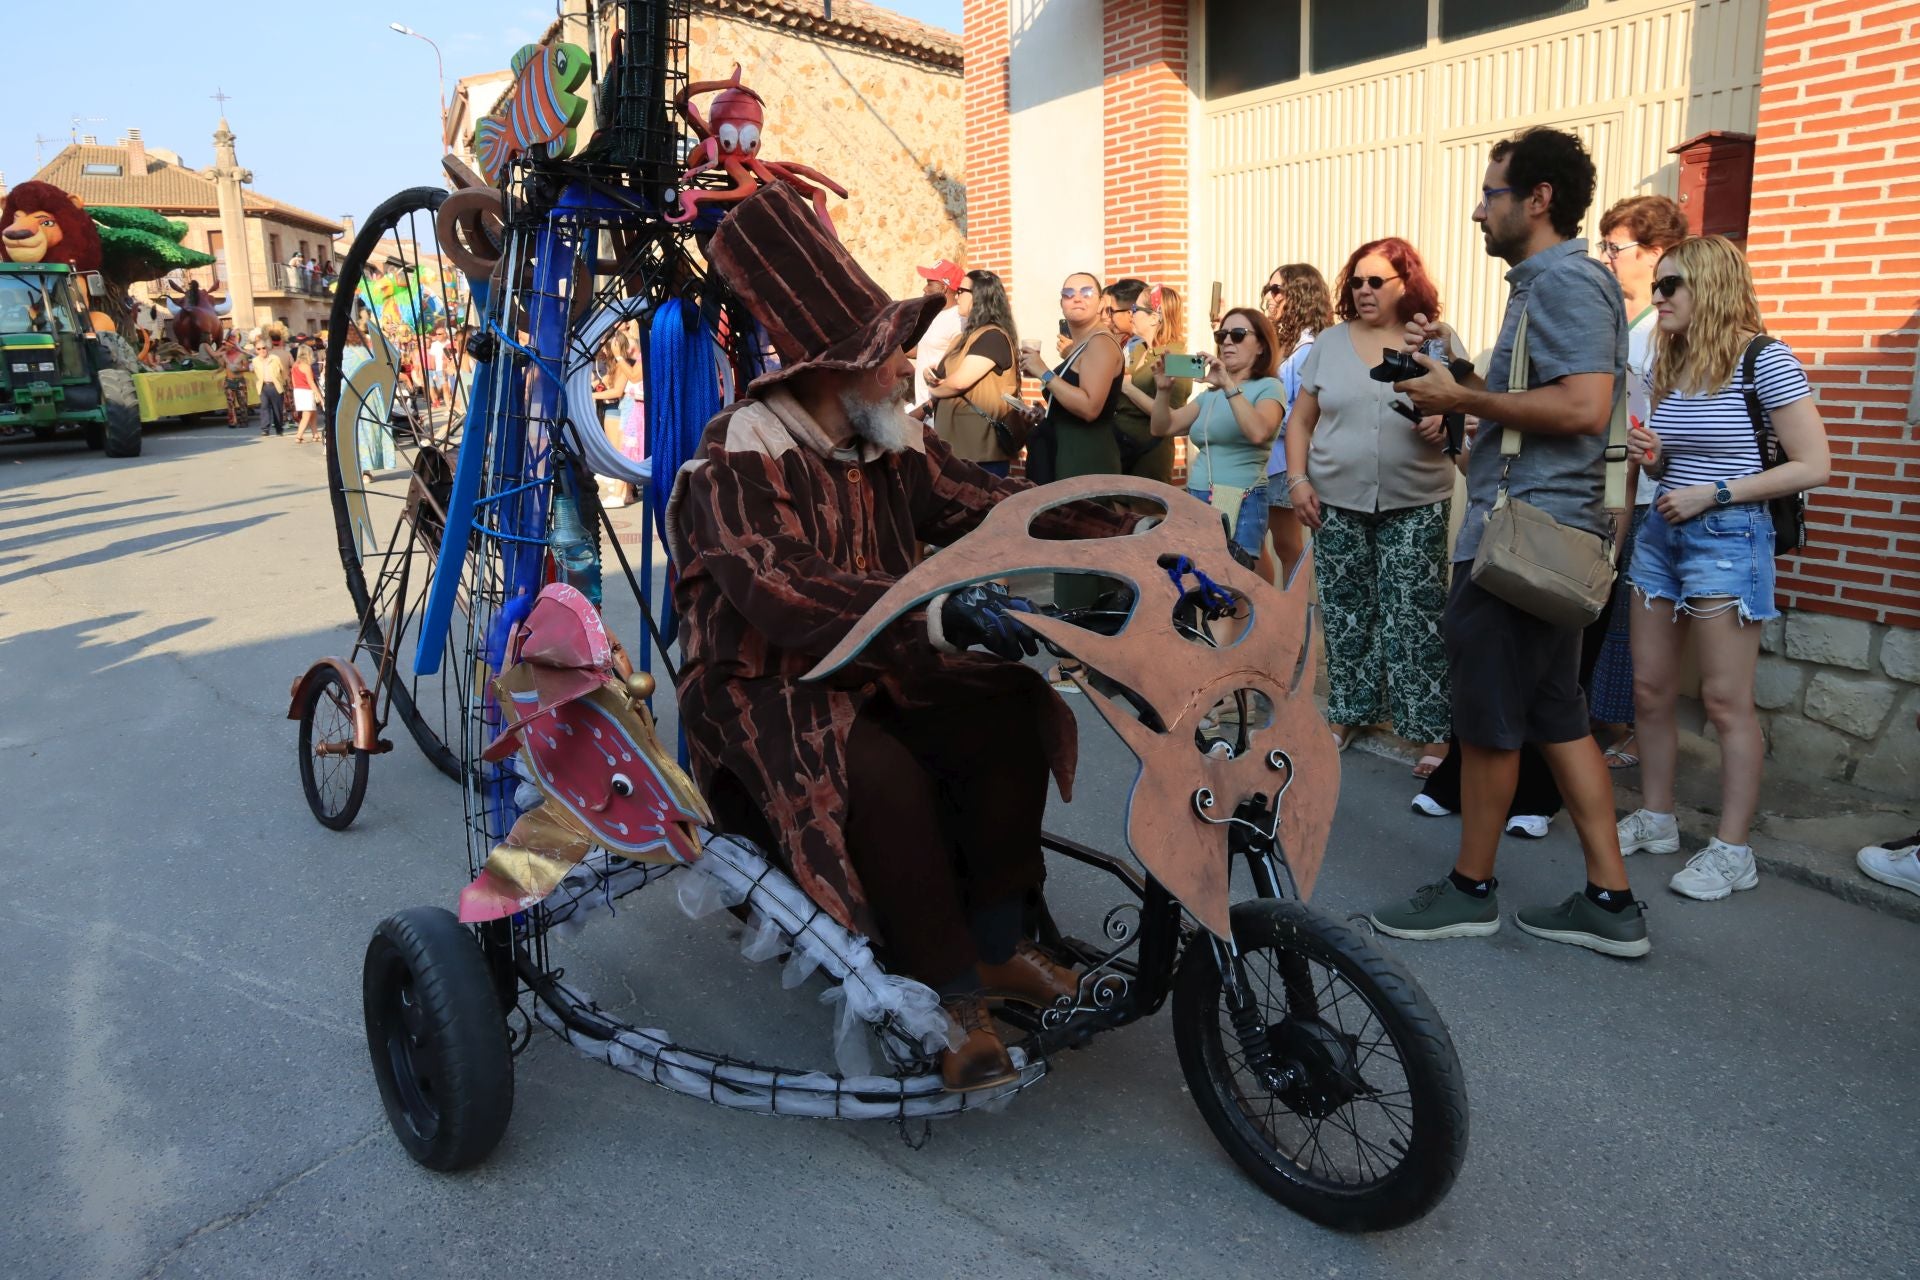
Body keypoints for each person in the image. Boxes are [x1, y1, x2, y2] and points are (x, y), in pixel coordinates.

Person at [668, 183, 1137, 1091]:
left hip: (879, 658)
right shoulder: (738, 452)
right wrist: (932, 612)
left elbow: (998, 508)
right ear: (830, 368)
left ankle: (998, 942)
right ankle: (944, 984)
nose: (903, 368)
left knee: (1008, 701)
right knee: (871, 773)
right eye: (886, 355)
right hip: (766, 684)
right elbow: (779, 590)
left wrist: (1141, 530)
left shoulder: (891, 441)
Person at [1369, 126, 1650, 958]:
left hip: (1523, 534)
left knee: (1488, 718)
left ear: (1538, 199)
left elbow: (1581, 407)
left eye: (1491, 194)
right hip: (1548, 533)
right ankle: (1610, 900)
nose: (1477, 210)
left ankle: (1469, 891)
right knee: (1556, 715)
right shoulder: (1552, 283)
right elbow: (1545, 397)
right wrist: (1459, 381)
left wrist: (1471, 401)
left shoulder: (1563, 280)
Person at [1614, 234, 1831, 902]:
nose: (1657, 298)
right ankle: (1656, 818)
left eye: (1670, 285)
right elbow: (1672, 460)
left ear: (1709, 286)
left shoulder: (1765, 359)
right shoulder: (1672, 360)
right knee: (1648, 689)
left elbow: (1814, 463)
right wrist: (1652, 458)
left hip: (1729, 538)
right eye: (1656, 284)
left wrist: (1717, 492)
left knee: (1723, 702)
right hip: (1662, 535)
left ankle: (1734, 851)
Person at [1284, 239, 1463, 775]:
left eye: (1375, 281)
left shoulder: (1434, 339)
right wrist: (1297, 481)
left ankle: (1430, 730)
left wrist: (1444, 420)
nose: (1363, 290)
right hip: (1335, 501)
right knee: (1345, 613)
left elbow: (1466, 407)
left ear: (1404, 284)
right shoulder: (1331, 344)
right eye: (1356, 281)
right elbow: (1301, 421)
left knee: (1416, 616)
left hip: (1417, 499)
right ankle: (1351, 711)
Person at [1587, 194, 1690, 769]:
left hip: (1651, 493)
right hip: (1610, 487)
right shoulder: (1622, 321)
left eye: (1615, 246)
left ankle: (1622, 730)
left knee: (1629, 617)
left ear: (1655, 253)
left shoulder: (1666, 329)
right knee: (1604, 608)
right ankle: (1604, 721)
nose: (1606, 256)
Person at [1018, 271, 1127, 622]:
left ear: (1101, 302)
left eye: (1086, 291)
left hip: (1088, 456)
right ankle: (1080, 639)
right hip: (1069, 454)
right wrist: (1044, 413)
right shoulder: (1083, 344)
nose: (1077, 298)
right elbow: (1069, 403)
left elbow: (1090, 405)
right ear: (1061, 303)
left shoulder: (1101, 343)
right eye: (1068, 293)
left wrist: (1044, 373)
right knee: (1071, 544)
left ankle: (1082, 645)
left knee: (1082, 544)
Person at [1148, 306, 1284, 559]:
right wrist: (1163, 391)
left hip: (1242, 498)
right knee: (1202, 580)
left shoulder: (1269, 387)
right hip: (1198, 495)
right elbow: (1161, 427)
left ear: (1262, 346)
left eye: (1239, 334)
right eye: (1222, 336)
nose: (1228, 342)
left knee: (1235, 584)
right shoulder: (1210, 394)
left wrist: (1228, 385)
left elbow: (1258, 432)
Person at [1258, 264, 1334, 585]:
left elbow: (1305, 416)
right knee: (1251, 543)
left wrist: (1261, 417)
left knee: (1288, 547)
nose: (1269, 297)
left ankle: (1291, 626)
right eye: (1268, 289)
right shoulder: (1281, 344)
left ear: (1300, 295)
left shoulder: (1310, 349)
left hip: (1284, 464)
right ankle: (1263, 617)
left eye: (1277, 290)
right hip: (1262, 461)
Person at [926, 268, 1020, 477]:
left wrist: (934, 385)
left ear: (979, 296)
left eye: (961, 291)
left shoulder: (992, 337)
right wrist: (935, 381)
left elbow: (958, 383)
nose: (957, 296)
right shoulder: (962, 339)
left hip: (980, 456)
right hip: (955, 451)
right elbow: (941, 378)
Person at [1113, 284, 1190, 491]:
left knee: (1146, 517)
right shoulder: (1139, 349)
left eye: (1136, 310)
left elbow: (1174, 416)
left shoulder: (1176, 358)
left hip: (1148, 456)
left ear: (1155, 318)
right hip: (1122, 449)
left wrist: (1129, 389)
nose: (1131, 314)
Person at [910, 259, 966, 411]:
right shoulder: (934, 314)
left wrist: (931, 405)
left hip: (937, 410)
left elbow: (957, 366)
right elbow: (926, 349)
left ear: (943, 288)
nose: (924, 288)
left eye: (929, 283)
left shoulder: (959, 321)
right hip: (922, 407)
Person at [1101, 278, 1148, 360]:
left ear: (1130, 313)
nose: (1108, 316)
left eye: (1111, 310)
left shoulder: (1145, 346)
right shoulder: (1130, 342)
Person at [254, 327, 288, 437]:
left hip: (275, 386)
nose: (262, 351)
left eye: (263, 348)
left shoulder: (275, 358)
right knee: (264, 407)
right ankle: (265, 429)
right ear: (256, 350)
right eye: (259, 349)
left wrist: (283, 382)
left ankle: (279, 428)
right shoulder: (255, 361)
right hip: (263, 386)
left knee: (277, 409)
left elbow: (283, 371)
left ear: (267, 348)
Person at [288, 344, 320, 443]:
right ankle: (299, 435)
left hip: (298, 391)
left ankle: (315, 434)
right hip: (306, 391)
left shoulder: (295, 366)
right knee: (307, 415)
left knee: (313, 413)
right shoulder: (306, 366)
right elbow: (311, 382)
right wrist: (319, 395)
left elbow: (293, 381)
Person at [218, 334, 250, 428]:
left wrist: (239, 369)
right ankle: (232, 421)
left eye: (226, 345)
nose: (224, 347)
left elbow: (247, 368)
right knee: (230, 402)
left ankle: (244, 421)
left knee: (242, 402)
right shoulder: (224, 355)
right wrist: (216, 372)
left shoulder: (241, 355)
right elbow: (222, 367)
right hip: (229, 380)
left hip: (240, 381)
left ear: (232, 345)